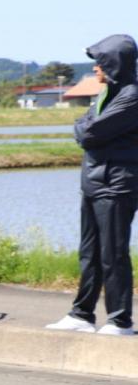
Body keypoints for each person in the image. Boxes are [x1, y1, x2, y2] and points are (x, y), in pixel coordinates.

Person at [46, 34, 138, 336]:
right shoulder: (105, 95)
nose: (96, 68)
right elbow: (86, 127)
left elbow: (89, 133)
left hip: (117, 185)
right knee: (89, 252)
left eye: (100, 62)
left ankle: (120, 320)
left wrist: (83, 129)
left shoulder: (132, 95)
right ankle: (82, 315)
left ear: (115, 63)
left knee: (113, 253)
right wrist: (84, 128)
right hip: (93, 182)